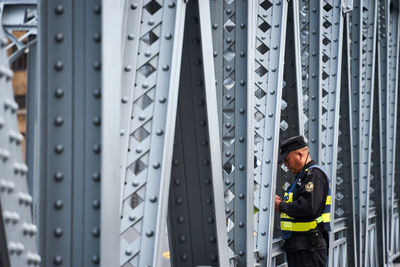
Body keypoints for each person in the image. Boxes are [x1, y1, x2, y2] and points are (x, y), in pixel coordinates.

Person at [274, 135, 331, 267]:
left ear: (299, 155)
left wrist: (282, 206)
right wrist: (283, 204)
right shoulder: (304, 176)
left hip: (309, 247)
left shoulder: (313, 175)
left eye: (287, 159)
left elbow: (309, 207)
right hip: (302, 246)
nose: (286, 164)